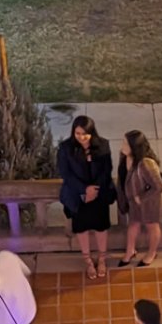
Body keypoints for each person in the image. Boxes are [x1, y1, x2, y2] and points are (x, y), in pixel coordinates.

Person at [58, 114, 115, 279]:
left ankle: (102, 259)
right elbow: (65, 173)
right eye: (77, 133)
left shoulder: (103, 145)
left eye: (85, 134)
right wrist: (84, 190)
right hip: (78, 196)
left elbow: (107, 170)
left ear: (92, 132)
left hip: (99, 194)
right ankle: (88, 261)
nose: (81, 137)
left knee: (100, 227)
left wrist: (94, 190)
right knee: (81, 229)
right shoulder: (65, 148)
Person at [116, 130, 162, 268]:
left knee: (152, 226)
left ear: (134, 147)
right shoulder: (125, 156)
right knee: (133, 225)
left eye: (126, 143)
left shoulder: (146, 163)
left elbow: (158, 186)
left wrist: (141, 198)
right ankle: (130, 251)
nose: (122, 145)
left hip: (150, 203)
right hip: (134, 201)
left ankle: (151, 253)